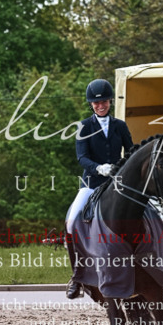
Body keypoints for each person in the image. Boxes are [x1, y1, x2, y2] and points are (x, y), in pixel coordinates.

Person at [65, 78, 134, 298]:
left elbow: (131, 152)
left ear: (109, 101)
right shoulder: (83, 127)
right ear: (91, 104)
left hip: (117, 183)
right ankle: (77, 276)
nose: (100, 105)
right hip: (92, 183)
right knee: (73, 220)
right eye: (96, 103)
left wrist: (121, 168)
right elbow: (81, 158)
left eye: (103, 101)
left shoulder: (120, 126)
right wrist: (99, 168)